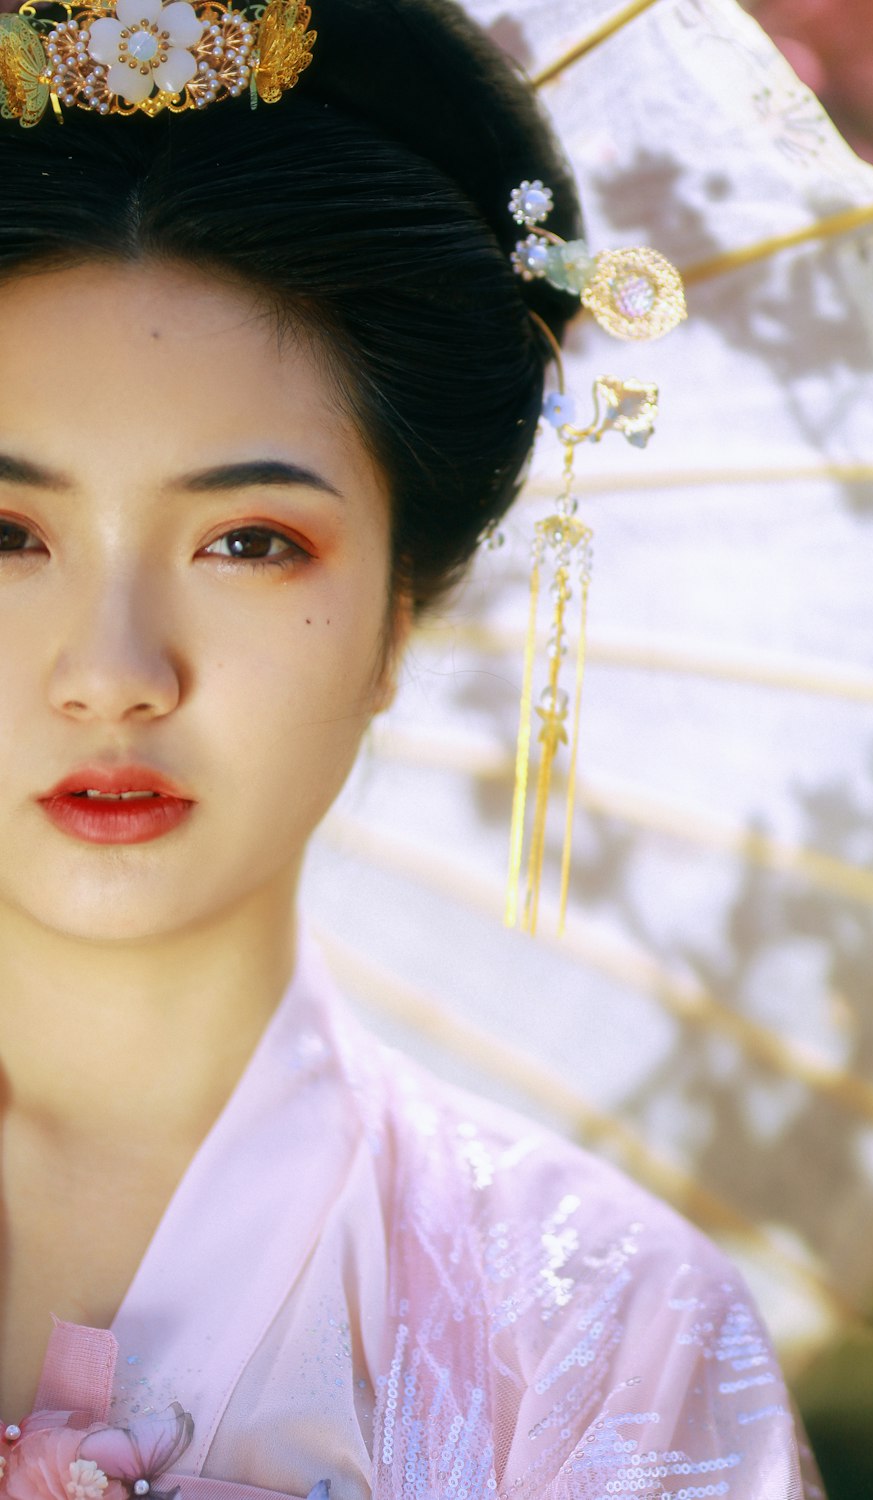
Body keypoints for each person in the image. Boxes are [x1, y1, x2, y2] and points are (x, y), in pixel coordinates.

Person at [0, 0, 824, 1494]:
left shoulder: (603, 1328)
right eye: (5, 533)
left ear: (398, 613)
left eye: (251, 540)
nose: (113, 675)